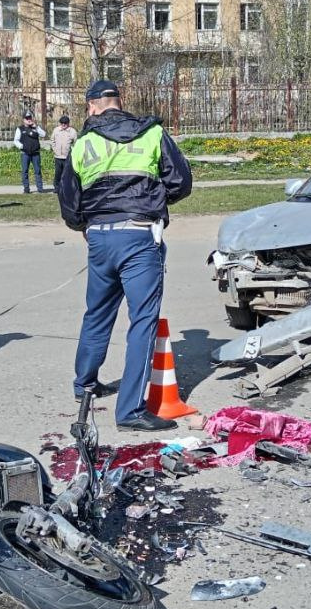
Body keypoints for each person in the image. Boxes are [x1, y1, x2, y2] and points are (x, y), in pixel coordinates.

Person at [58, 80, 193, 432]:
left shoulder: (83, 143)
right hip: (139, 236)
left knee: (97, 313)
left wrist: (84, 225)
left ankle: (84, 383)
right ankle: (130, 411)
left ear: (92, 107)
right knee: (143, 321)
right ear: (119, 103)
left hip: (101, 239)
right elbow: (181, 182)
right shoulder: (152, 134)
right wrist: (153, 203)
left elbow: (69, 200)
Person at [14, 111, 48, 193]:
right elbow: (15, 141)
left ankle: (40, 189)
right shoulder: (20, 129)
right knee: (25, 171)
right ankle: (26, 189)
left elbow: (44, 134)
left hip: (36, 153)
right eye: (27, 118)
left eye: (30, 118)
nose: (29, 120)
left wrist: (36, 127)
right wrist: (22, 146)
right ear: (23, 119)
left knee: (38, 171)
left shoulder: (35, 128)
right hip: (25, 153)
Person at [50, 115, 77, 192]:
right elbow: (52, 140)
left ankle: (66, 188)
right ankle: (57, 188)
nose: (63, 124)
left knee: (67, 174)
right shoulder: (56, 130)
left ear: (68, 123)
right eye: (62, 123)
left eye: (65, 123)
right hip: (58, 156)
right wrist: (55, 150)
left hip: (67, 157)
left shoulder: (72, 131)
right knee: (58, 173)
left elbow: (76, 143)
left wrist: (72, 152)